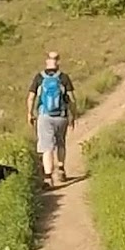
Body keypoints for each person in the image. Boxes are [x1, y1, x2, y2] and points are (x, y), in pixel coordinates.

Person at [27, 50, 75, 187]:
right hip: (61, 116)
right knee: (61, 143)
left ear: (46, 61)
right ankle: (61, 169)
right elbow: (72, 99)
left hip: (44, 116)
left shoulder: (39, 77)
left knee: (46, 146)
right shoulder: (63, 77)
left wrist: (30, 113)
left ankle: (48, 177)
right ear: (58, 62)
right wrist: (72, 115)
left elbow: (31, 98)